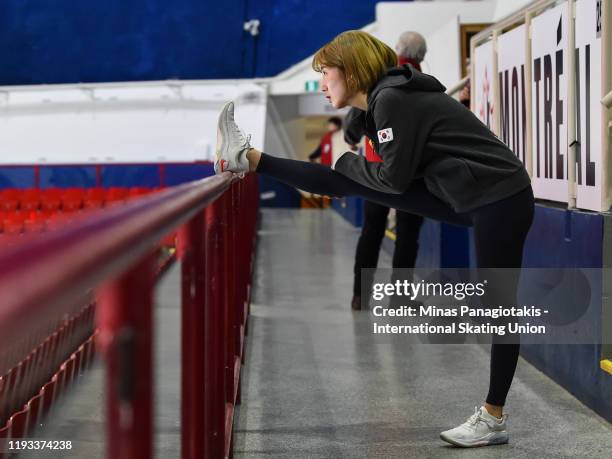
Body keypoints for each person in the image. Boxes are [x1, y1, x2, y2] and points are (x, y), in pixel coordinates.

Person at [214, 30, 533, 448]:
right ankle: (249, 158)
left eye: (326, 73)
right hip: (465, 193)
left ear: (352, 69)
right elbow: (389, 177)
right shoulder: (382, 102)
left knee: (499, 307)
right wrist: (349, 168)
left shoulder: (392, 99)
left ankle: (493, 417)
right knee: (349, 180)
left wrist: (347, 166)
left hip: (499, 196)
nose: (323, 83)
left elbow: (394, 180)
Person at [346, 31, 426, 311]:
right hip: (414, 171)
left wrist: (351, 134)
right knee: (408, 234)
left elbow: (354, 120)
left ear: (396, 49)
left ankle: (360, 295)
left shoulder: (382, 77)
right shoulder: (423, 82)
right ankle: (400, 297)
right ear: (422, 56)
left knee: (372, 230)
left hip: (376, 167)